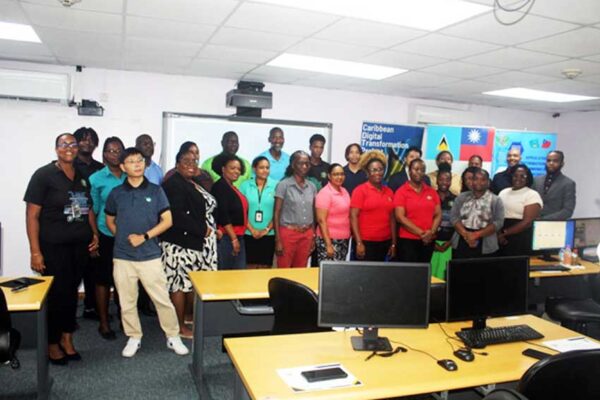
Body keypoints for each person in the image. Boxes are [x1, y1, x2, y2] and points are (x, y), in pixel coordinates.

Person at [105, 147, 188, 358]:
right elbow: (109, 220)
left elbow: (167, 221)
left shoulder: (155, 190)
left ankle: (172, 335)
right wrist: (122, 236)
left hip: (150, 255)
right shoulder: (116, 194)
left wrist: (144, 237)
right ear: (123, 167)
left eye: (140, 160)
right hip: (123, 257)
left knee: (161, 298)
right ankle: (134, 337)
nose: (137, 164)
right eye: (131, 161)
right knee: (127, 300)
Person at [24, 133, 100, 365]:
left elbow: (87, 210)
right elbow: (32, 215)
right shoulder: (44, 175)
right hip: (53, 246)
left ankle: (67, 339)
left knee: (70, 295)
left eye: (73, 144)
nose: (69, 148)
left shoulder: (82, 176)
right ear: (56, 149)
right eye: (64, 144)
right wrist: (35, 251)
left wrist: (94, 233)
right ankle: (51, 343)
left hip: (79, 246)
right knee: (57, 296)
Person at [161, 149, 216, 339]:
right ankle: (178, 327)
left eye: (195, 160)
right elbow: (176, 216)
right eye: (186, 160)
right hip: (179, 244)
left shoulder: (191, 182)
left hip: (193, 242)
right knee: (178, 284)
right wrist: (202, 229)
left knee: (187, 284)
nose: (192, 163)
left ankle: (185, 318)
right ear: (177, 164)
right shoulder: (173, 184)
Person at [89, 137, 126, 340]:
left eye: (118, 150)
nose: (114, 153)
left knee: (124, 281)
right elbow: (92, 211)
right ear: (104, 154)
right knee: (103, 281)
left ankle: (124, 319)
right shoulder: (96, 179)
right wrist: (94, 236)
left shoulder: (131, 176)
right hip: (106, 234)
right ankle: (104, 322)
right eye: (110, 150)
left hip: (128, 237)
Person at [73, 127, 104, 320]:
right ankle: (68, 314)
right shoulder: (69, 166)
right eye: (83, 139)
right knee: (74, 271)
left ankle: (91, 307)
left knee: (94, 270)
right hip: (75, 224)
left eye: (91, 140)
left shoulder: (100, 168)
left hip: (97, 225)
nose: (87, 143)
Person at [350, 151, 397, 261]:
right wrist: (359, 242)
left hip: (385, 242)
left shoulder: (389, 192)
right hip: (366, 242)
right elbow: (353, 217)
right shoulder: (360, 190)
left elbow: (392, 219)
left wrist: (393, 243)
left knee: (380, 276)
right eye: (374, 170)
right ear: (367, 172)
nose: (378, 173)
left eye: (380, 169)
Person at [274, 151, 317, 268]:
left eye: (307, 164)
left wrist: (313, 235)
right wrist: (278, 240)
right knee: (284, 269)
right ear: (293, 165)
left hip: (307, 234)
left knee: (300, 269)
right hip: (288, 234)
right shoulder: (283, 185)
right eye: (301, 163)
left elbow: (313, 213)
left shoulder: (312, 186)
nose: (304, 166)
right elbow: (276, 213)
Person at [394, 159, 441, 263]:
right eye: (416, 169)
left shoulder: (432, 192)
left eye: (422, 170)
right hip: (408, 241)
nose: (419, 172)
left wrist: (431, 233)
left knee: (424, 273)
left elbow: (438, 214)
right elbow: (400, 217)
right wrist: (421, 233)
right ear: (409, 171)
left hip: (428, 240)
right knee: (409, 274)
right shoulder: (401, 192)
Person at [450, 168, 505, 258]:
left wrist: (476, 235)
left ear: (488, 182)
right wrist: (466, 235)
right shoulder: (461, 197)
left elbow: (498, 222)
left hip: (485, 241)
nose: (479, 182)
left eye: (483, 179)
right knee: (459, 271)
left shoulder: (496, 200)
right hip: (462, 239)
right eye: (475, 179)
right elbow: (454, 217)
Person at [211, 154, 249, 270]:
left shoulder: (232, 187)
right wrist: (233, 239)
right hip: (227, 238)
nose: (236, 171)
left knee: (238, 276)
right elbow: (223, 214)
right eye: (232, 168)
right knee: (226, 276)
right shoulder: (220, 187)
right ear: (223, 169)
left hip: (238, 236)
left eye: (238, 169)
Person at [239, 156, 277, 268]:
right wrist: (251, 229)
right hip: (249, 233)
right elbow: (241, 211)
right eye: (261, 167)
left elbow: (278, 212)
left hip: (269, 234)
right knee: (249, 267)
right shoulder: (245, 186)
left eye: (267, 167)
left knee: (265, 267)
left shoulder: (276, 185)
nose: (265, 170)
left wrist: (266, 230)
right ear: (254, 169)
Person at [498, 164, 543, 256]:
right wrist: (498, 233)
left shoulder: (532, 194)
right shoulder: (503, 192)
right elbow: (496, 215)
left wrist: (504, 233)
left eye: (523, 176)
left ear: (528, 178)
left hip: (520, 236)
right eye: (515, 175)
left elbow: (527, 222)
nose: (518, 178)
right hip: (500, 235)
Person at [315, 164, 351, 263]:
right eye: (335, 174)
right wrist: (328, 245)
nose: (339, 177)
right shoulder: (324, 193)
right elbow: (321, 221)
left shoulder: (344, 191)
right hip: (329, 240)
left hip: (343, 239)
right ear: (329, 176)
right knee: (329, 274)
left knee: (339, 273)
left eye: (341, 174)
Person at [533, 150, 576, 220]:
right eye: (548, 160)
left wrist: (543, 219)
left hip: (555, 225)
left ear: (562, 163)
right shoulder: (536, 180)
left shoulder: (568, 183)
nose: (551, 163)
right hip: (533, 223)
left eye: (555, 161)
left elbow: (567, 211)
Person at [431, 165, 456, 279]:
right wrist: (432, 242)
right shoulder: (429, 196)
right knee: (429, 275)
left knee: (445, 277)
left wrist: (451, 242)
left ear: (451, 181)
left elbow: (459, 223)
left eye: (447, 179)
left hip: (449, 244)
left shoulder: (456, 199)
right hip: (431, 243)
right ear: (436, 180)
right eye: (441, 179)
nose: (444, 182)